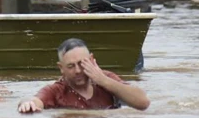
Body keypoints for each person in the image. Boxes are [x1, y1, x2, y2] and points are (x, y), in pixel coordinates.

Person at [18, 38, 150, 112]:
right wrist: (27, 104)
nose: (78, 71)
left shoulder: (106, 79)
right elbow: (35, 100)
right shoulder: (57, 91)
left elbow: (143, 103)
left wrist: (104, 81)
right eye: (71, 66)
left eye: (82, 64)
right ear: (61, 68)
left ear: (92, 59)